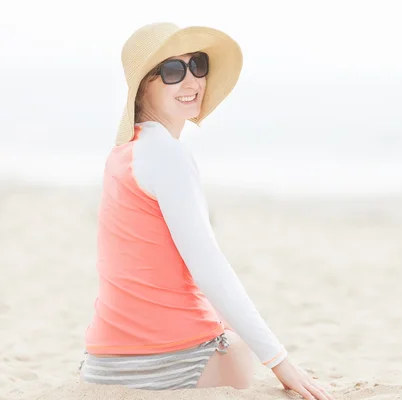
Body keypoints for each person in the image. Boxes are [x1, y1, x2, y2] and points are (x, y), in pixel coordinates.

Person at [79, 22, 333, 400]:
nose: (192, 80)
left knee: (232, 331)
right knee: (240, 344)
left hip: (102, 365)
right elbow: (209, 267)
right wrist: (280, 361)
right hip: (173, 365)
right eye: (172, 71)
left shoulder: (123, 154)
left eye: (197, 64)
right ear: (144, 85)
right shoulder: (168, 153)